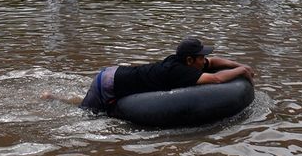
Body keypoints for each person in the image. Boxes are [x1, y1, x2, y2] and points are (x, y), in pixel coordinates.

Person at [72, 36, 254, 114]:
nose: (204, 59)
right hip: (108, 82)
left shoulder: (180, 60)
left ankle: (61, 97)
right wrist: (243, 71)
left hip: (115, 74)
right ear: (190, 60)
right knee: (87, 113)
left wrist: (238, 64)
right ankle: (52, 97)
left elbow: (213, 62)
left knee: (90, 105)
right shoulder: (180, 72)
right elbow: (216, 79)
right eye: (201, 57)